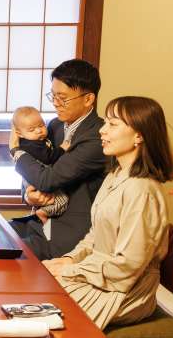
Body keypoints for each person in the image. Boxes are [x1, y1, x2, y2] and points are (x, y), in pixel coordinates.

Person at [42, 96, 173, 329]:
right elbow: (96, 235)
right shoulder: (115, 176)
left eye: (113, 124)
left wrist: (72, 271)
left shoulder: (141, 190)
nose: (102, 131)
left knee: (41, 311)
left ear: (139, 135)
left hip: (124, 290)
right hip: (99, 276)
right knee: (35, 288)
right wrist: (68, 259)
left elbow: (128, 265)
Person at [8, 59, 107, 260]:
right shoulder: (53, 126)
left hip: (70, 234)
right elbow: (35, 168)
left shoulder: (98, 137)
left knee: (6, 255)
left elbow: (48, 179)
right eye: (53, 96)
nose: (55, 103)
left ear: (88, 99)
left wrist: (15, 151)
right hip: (40, 221)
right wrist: (29, 194)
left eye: (62, 98)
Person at [10, 106, 68, 223]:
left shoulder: (41, 138)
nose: (39, 131)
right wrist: (62, 149)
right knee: (62, 201)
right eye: (32, 130)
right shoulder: (32, 144)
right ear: (19, 134)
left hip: (40, 181)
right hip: (36, 180)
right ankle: (43, 212)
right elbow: (48, 157)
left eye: (41, 126)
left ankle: (38, 211)